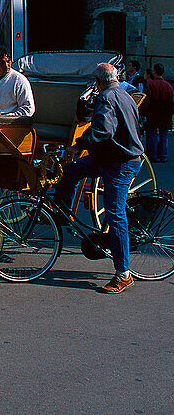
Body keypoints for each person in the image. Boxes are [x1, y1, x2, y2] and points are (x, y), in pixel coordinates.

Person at [54, 61, 144, 293]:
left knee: (115, 213)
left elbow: (103, 131)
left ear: (97, 82)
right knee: (72, 170)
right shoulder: (126, 95)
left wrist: (78, 145)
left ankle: (123, 274)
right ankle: (63, 213)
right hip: (112, 158)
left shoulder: (105, 97)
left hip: (119, 163)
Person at [0, 47, 35, 120]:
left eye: (8, 61)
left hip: (10, 122)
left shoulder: (19, 80)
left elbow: (28, 109)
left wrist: (6, 117)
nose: (6, 65)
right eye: (2, 63)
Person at [143, 63, 174, 163]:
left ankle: (153, 155)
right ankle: (163, 155)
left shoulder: (150, 84)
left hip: (153, 112)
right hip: (165, 112)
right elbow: (171, 101)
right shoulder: (168, 85)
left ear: (154, 71)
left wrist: (144, 111)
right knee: (163, 134)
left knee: (152, 134)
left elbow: (146, 99)